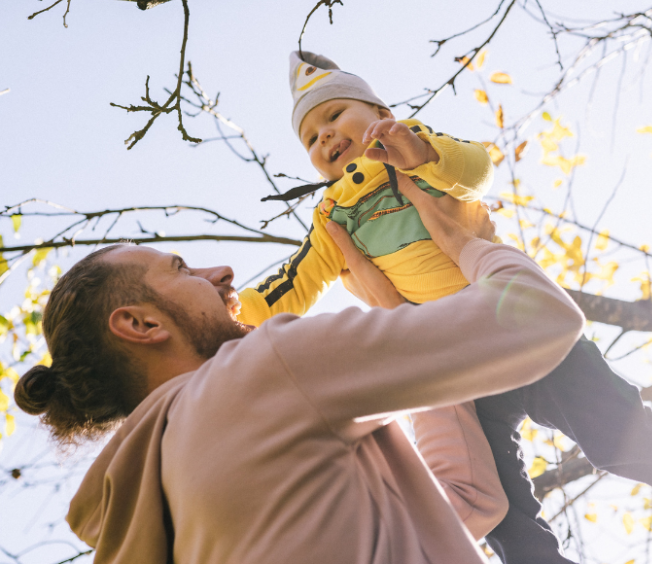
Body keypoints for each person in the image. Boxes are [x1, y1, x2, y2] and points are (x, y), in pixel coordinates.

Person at [239, 50, 652, 563]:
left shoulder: (418, 150)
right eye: (309, 138)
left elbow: (477, 169)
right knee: (492, 509)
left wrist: (417, 152)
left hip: (510, 323)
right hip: (453, 367)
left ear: (379, 112)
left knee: (618, 434)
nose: (322, 135)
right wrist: (232, 318)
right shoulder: (332, 217)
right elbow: (293, 283)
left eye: (333, 114)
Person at [14, 177, 585, 564]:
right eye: (182, 268)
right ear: (139, 325)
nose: (222, 271)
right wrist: (463, 240)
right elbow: (540, 317)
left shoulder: (153, 508)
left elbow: (460, 505)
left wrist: (397, 319)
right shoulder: (263, 368)